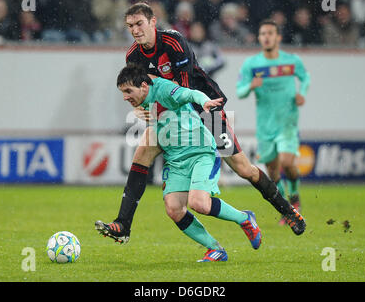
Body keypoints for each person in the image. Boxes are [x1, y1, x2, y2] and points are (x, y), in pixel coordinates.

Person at [97, 3, 306, 243]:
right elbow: (139, 91)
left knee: (243, 168)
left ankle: (288, 211)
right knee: (142, 155)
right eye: (130, 26)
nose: (134, 30)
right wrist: (142, 109)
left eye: (139, 24)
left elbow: (184, 89)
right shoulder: (133, 56)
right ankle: (123, 225)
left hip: (205, 110)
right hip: (172, 116)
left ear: (153, 22)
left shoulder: (173, 43)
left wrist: (155, 102)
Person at [96, 64, 262, 262]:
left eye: (127, 91)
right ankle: (215, 249)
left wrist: (206, 102)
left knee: (198, 203)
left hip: (201, 152)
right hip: (175, 159)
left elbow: (191, 94)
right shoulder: (142, 100)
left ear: (143, 86)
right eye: (122, 92)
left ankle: (244, 218)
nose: (125, 97)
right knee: (174, 208)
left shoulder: (165, 89)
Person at [236, 19, 310, 224]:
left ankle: (294, 201)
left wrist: (301, 93)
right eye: (262, 34)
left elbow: (305, 78)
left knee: (288, 163)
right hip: (265, 126)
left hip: (287, 121)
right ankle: (286, 209)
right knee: (273, 172)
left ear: (278, 37)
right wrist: (251, 85)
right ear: (259, 38)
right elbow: (239, 91)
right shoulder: (251, 64)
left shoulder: (291, 61)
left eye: (270, 33)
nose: (266, 37)